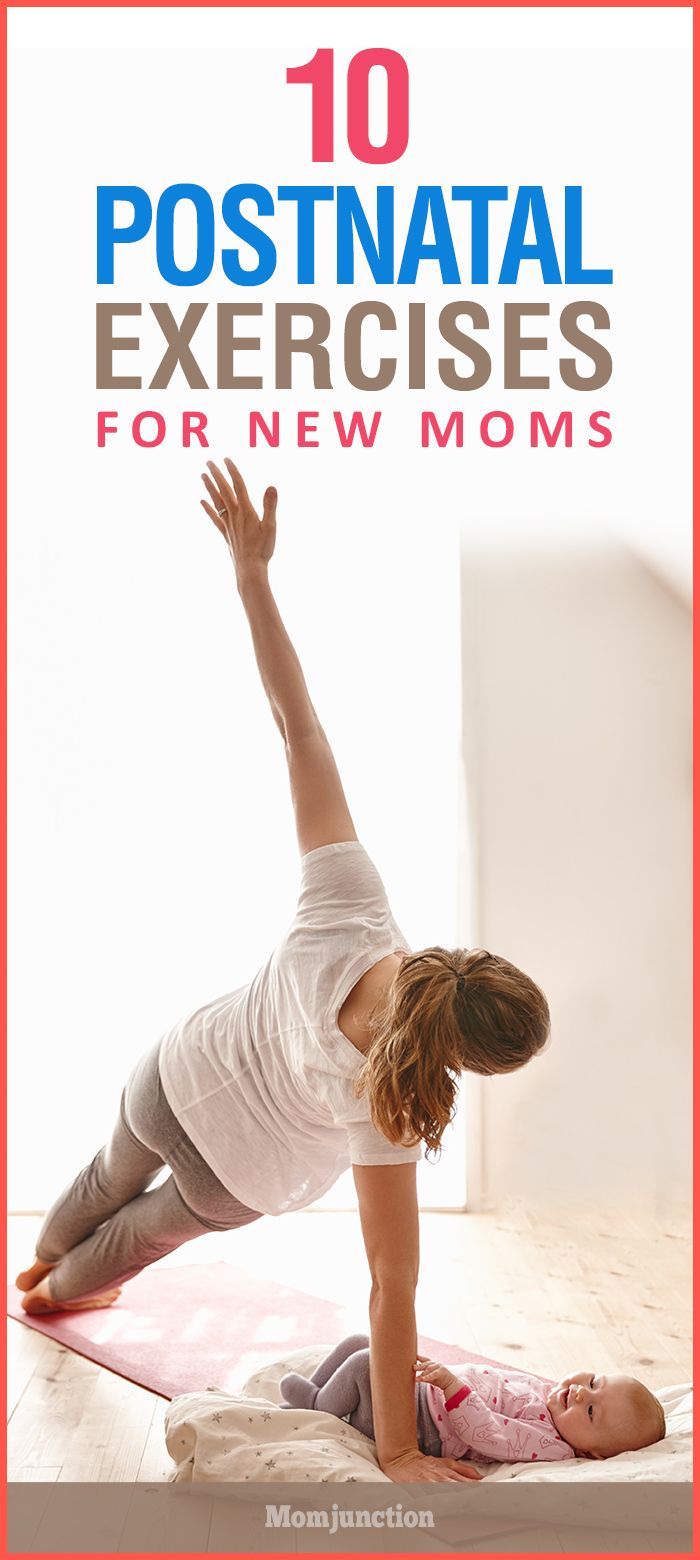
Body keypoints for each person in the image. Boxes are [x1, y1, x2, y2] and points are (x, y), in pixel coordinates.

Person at [15, 459, 551, 1485]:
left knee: (99, 1174)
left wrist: (251, 574)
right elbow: (390, 1286)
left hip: (169, 1073)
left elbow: (297, 726)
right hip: (232, 1173)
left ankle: (44, 1257)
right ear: (462, 1057)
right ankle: (52, 1291)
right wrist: (395, 1447)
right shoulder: (390, 1102)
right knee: (129, 1242)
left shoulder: (353, 901)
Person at [280, 1334, 667, 1463]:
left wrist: (450, 1386)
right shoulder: (550, 1395)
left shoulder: (550, 1444)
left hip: (418, 1427)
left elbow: (488, 1435)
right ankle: (313, 1396)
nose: (582, 1392)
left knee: (366, 1365)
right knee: (364, 1341)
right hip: (420, 1397)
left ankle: (317, 1409)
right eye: (595, 1382)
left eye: (592, 1410)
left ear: (593, 1452)